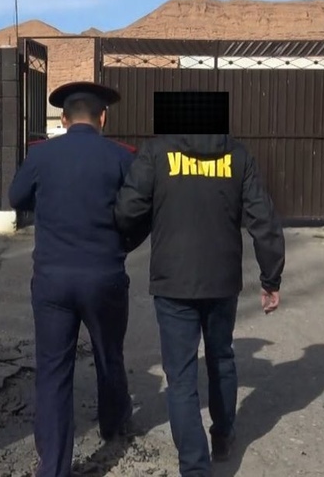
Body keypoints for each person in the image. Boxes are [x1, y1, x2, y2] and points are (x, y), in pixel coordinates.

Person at [113, 131, 285, 477]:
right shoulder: (236, 155)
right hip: (221, 280)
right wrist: (271, 278)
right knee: (221, 357)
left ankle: (194, 467)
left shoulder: (157, 152)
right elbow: (262, 218)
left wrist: (129, 235)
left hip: (173, 279)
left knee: (180, 377)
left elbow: (128, 210)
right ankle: (222, 437)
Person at [8, 81, 142, 477]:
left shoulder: (41, 156)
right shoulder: (122, 158)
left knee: (53, 370)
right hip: (105, 276)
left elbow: (16, 198)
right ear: (104, 118)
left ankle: (53, 466)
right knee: (109, 353)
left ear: (63, 120)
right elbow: (141, 212)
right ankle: (113, 425)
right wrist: (123, 245)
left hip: (52, 280)